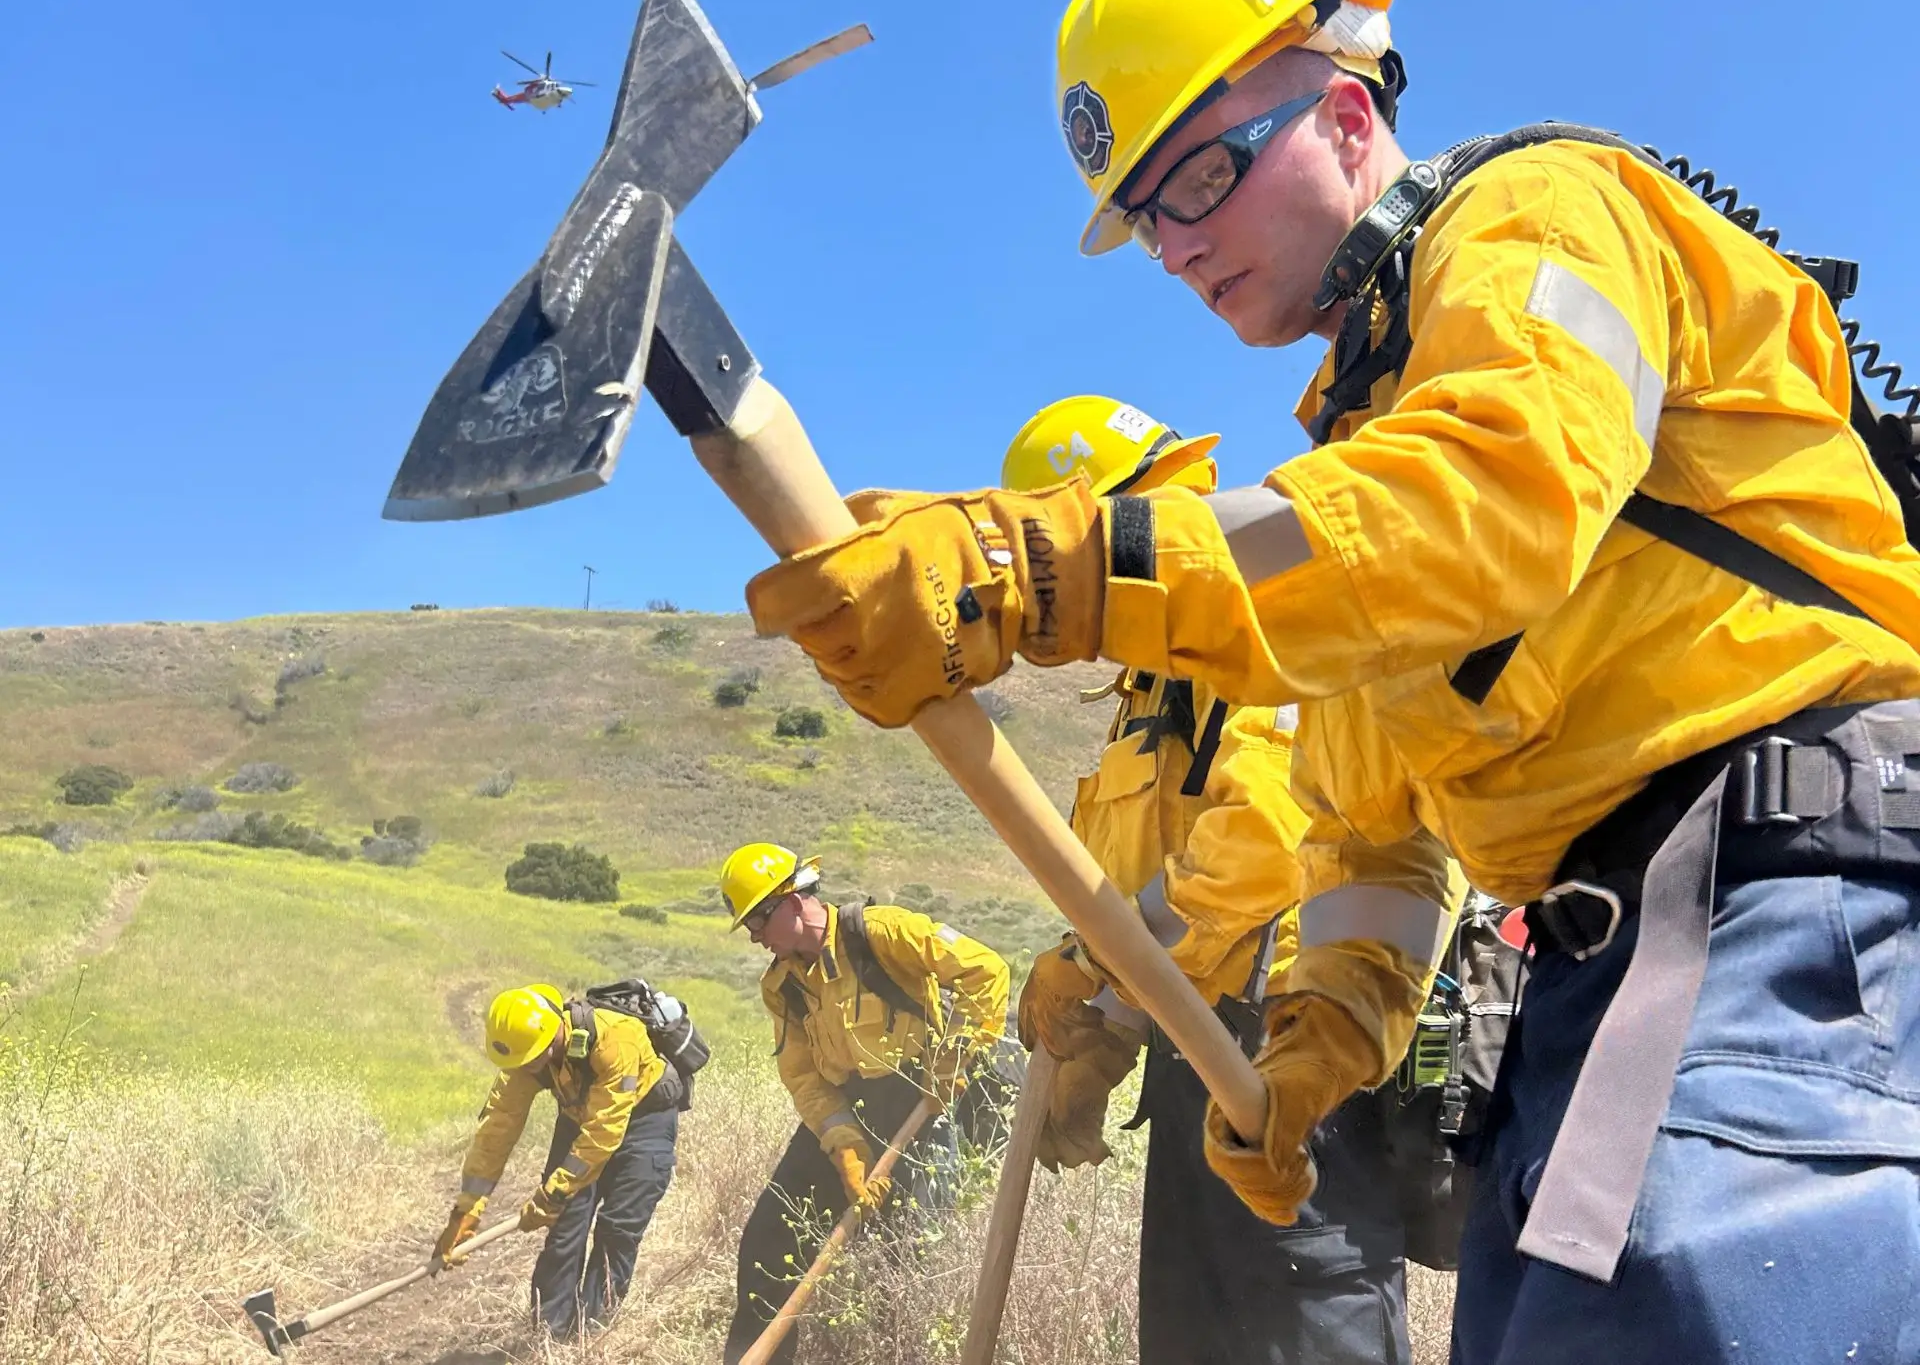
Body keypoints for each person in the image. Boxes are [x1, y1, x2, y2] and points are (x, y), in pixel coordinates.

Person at [741, 0, 1920, 1364]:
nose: (1173, 243)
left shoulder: (1541, 214)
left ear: (1348, 117)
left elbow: (1501, 492)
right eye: (1142, 217)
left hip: (1793, 905)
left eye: (1195, 176)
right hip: (1602, 962)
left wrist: (1045, 565)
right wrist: (1320, 1037)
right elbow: (1371, 833)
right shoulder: (1359, 452)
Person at [1005, 394, 1431, 1364]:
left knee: (1308, 1337)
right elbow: (1156, 888)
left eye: (1060, 571)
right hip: (1198, 1061)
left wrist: (1096, 960)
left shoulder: (1265, 608)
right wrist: (1105, 1035)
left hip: (1293, 1058)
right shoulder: (1150, 682)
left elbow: (1267, 837)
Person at [718, 842, 1010, 1365]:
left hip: (919, 1104)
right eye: (750, 927)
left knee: (907, 1259)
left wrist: (954, 1061)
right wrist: (843, 1144)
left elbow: (985, 972)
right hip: (846, 1108)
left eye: (759, 920)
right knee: (765, 1241)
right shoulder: (782, 985)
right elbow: (803, 1076)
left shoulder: (882, 933)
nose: (756, 937)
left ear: (792, 899)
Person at [433, 983, 681, 1339]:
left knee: (617, 1231)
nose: (528, 1068)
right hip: (580, 1116)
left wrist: (554, 1193)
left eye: (532, 1058)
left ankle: (590, 1341)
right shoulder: (524, 1056)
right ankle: (547, 1338)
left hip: (644, 1124)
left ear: (553, 1033)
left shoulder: (616, 1039)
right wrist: (467, 1210)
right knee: (565, 1228)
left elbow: (604, 1131)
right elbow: (497, 1130)